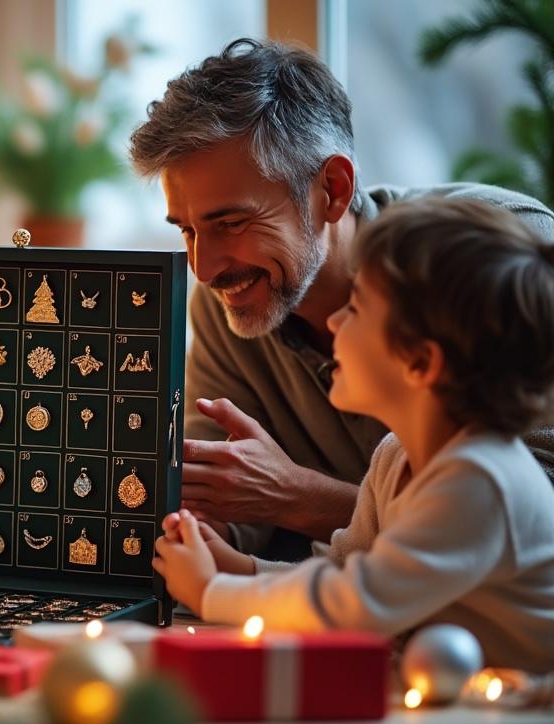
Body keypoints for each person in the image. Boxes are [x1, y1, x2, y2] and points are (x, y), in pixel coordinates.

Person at [127, 37, 554, 561]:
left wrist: (301, 499)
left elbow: (535, 515)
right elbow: (228, 507)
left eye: (231, 222)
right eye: (186, 230)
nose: (204, 267)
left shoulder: (502, 253)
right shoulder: (226, 305)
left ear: (331, 188)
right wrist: (190, 526)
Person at [153, 199, 554, 670]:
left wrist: (210, 591)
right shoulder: (394, 458)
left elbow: (353, 605)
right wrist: (235, 567)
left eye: (357, 307)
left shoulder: (479, 481)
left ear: (421, 362)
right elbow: (343, 571)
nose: (336, 321)